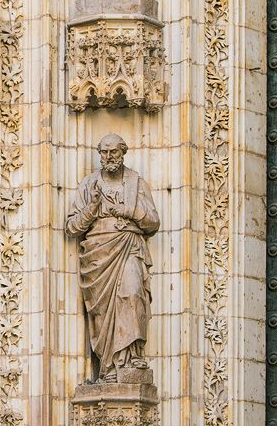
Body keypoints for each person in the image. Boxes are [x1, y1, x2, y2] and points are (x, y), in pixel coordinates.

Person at [66, 134, 160, 383]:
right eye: (104, 153)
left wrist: (129, 211)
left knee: (133, 292)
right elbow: (73, 227)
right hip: (98, 256)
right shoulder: (89, 185)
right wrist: (92, 208)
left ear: (123, 153)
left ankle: (131, 359)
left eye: (114, 153)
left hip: (129, 247)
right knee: (103, 311)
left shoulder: (136, 183)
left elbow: (153, 222)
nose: (108, 158)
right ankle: (108, 366)